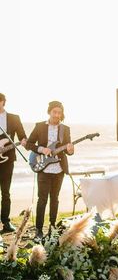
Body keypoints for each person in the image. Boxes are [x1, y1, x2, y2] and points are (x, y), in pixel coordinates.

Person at [27, 101, 74, 240]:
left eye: (59, 112)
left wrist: (71, 150)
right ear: (49, 112)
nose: (57, 115)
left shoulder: (65, 129)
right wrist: (42, 149)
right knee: (42, 200)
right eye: (54, 112)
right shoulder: (40, 126)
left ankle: (52, 228)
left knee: (55, 199)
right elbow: (29, 144)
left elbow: (68, 150)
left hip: (59, 168)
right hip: (43, 168)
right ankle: (39, 230)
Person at [0, 93, 27, 234]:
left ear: (3, 102)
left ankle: (6, 222)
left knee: (5, 192)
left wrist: (23, 140)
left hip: (7, 160)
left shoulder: (14, 118)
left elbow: (22, 135)